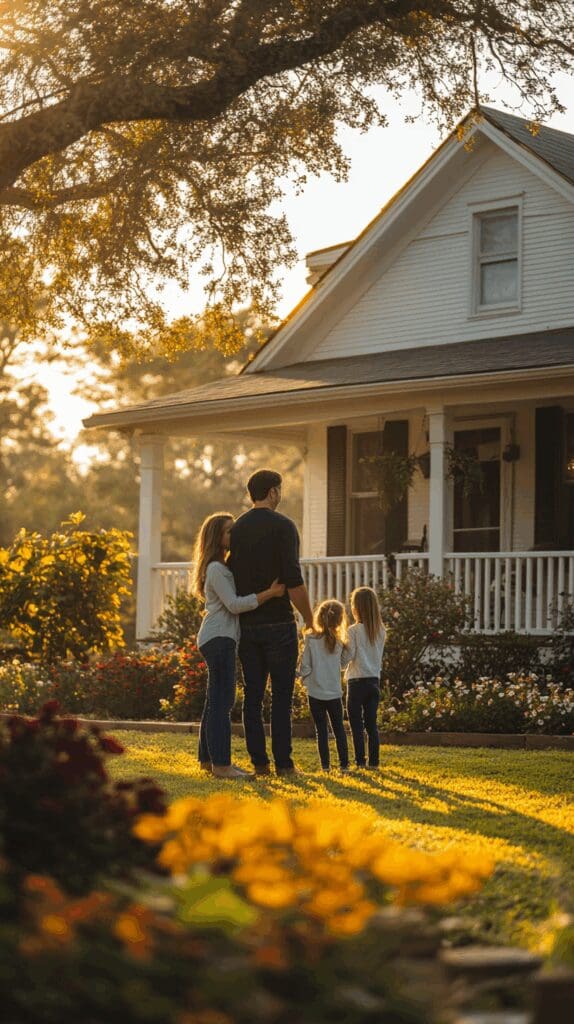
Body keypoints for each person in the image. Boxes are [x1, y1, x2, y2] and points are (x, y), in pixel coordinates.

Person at [228, 468, 313, 776]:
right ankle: (285, 764)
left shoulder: (236, 529)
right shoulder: (284, 526)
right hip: (279, 624)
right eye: (280, 489)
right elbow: (293, 579)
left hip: (247, 623)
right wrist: (310, 618)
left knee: (252, 697)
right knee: (281, 696)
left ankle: (259, 764)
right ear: (273, 492)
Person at [193, 511, 285, 779]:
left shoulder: (220, 566)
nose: (235, 535)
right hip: (219, 638)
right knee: (222, 703)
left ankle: (208, 760)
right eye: (229, 531)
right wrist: (270, 593)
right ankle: (222, 766)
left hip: (218, 637)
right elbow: (234, 604)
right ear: (217, 537)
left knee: (214, 701)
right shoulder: (216, 569)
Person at [299, 600, 350, 773]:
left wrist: (302, 677)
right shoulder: (338, 642)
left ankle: (326, 766)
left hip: (315, 693)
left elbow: (305, 666)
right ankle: (344, 765)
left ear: (319, 617)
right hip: (334, 693)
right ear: (340, 620)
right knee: (339, 730)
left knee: (321, 731)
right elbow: (343, 664)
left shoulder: (311, 640)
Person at [345, 586, 386, 769]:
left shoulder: (353, 631)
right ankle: (375, 763)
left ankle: (360, 762)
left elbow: (348, 657)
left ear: (356, 607)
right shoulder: (381, 631)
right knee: (371, 725)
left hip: (356, 682)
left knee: (356, 725)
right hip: (374, 681)